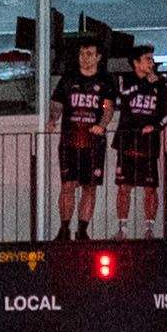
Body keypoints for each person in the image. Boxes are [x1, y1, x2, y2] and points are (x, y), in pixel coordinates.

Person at [48, 28, 116, 244]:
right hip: (69, 140)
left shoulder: (105, 81)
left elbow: (108, 107)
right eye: (81, 54)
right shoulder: (68, 79)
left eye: (89, 54)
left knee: (89, 186)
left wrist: (102, 125)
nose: (84, 58)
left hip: (93, 142)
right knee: (67, 185)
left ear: (98, 57)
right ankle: (64, 228)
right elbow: (57, 103)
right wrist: (53, 118)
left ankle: (82, 229)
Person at [111, 39, 167, 238]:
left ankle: (150, 229)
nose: (151, 63)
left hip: (149, 143)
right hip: (127, 141)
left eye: (152, 59)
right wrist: (144, 83)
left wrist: (154, 127)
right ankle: (122, 228)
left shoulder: (160, 84)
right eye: (147, 59)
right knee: (124, 187)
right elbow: (123, 97)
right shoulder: (124, 79)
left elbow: (166, 114)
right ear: (136, 63)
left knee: (150, 187)